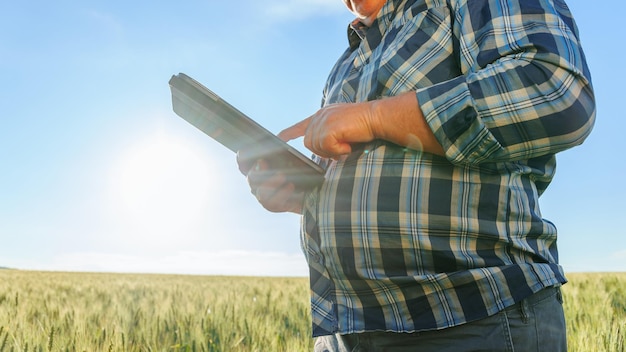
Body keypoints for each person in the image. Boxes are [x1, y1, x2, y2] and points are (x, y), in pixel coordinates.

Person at [238, 0, 595, 350]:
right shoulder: (345, 65)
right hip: (344, 330)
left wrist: (373, 117)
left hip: (474, 317)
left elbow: (554, 89)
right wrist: (300, 195)